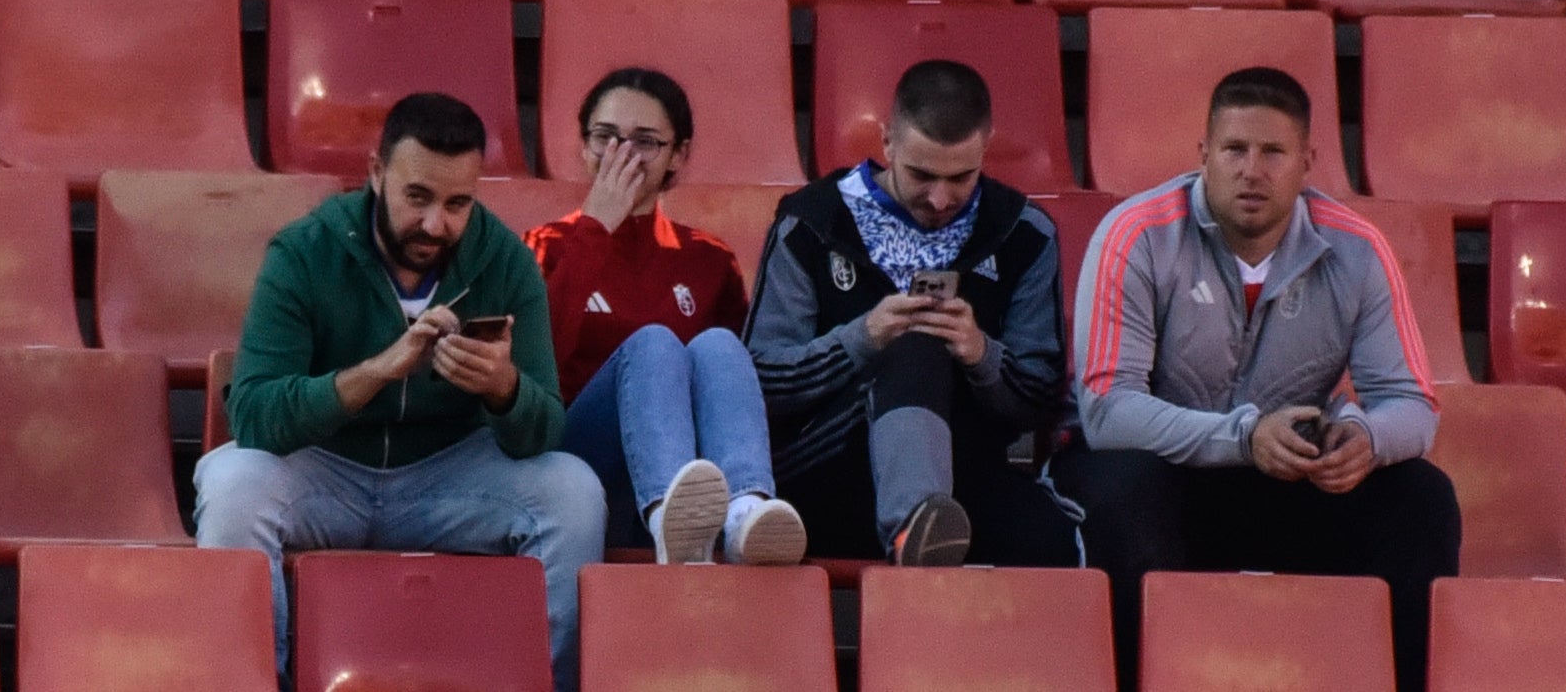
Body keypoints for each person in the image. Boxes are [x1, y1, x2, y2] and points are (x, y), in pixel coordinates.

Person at [1054, 66, 1461, 692]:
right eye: (1234, 150)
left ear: (1307, 162)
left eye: (1273, 153)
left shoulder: (1358, 249)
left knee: (1420, 496)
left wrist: (1366, 441)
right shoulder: (1135, 235)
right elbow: (1107, 411)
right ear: (1203, 156)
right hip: (1167, 479)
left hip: (1283, 482)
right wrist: (1243, 438)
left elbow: (1412, 403)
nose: (1252, 170)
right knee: (1126, 487)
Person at [197, 92, 605, 692]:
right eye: (418, 197)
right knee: (233, 483)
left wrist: (503, 388)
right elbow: (255, 415)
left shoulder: (507, 262)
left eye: (458, 203)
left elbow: (544, 430)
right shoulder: (306, 252)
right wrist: (379, 371)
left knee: (573, 492)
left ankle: (553, 683)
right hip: (327, 470)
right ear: (376, 173)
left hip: (448, 478)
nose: (436, 224)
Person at [744, 59, 1079, 568]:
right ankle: (914, 529)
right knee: (915, 344)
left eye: (962, 177)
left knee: (1049, 540)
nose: (940, 198)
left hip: (970, 469)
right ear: (887, 143)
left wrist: (982, 354)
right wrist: (865, 337)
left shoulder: (1023, 232)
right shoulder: (812, 221)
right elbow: (762, 380)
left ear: (985, 148)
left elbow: (1043, 397)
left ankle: (926, 529)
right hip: (828, 464)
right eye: (921, 175)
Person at [523, 67, 811, 566]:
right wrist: (597, 228)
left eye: (646, 142)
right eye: (606, 137)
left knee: (721, 346)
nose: (623, 155)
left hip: (697, 468)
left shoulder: (707, 257)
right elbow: (535, 361)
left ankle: (745, 510)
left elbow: (734, 387)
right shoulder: (543, 245)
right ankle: (668, 519)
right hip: (578, 461)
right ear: (583, 145)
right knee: (653, 343)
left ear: (678, 154)